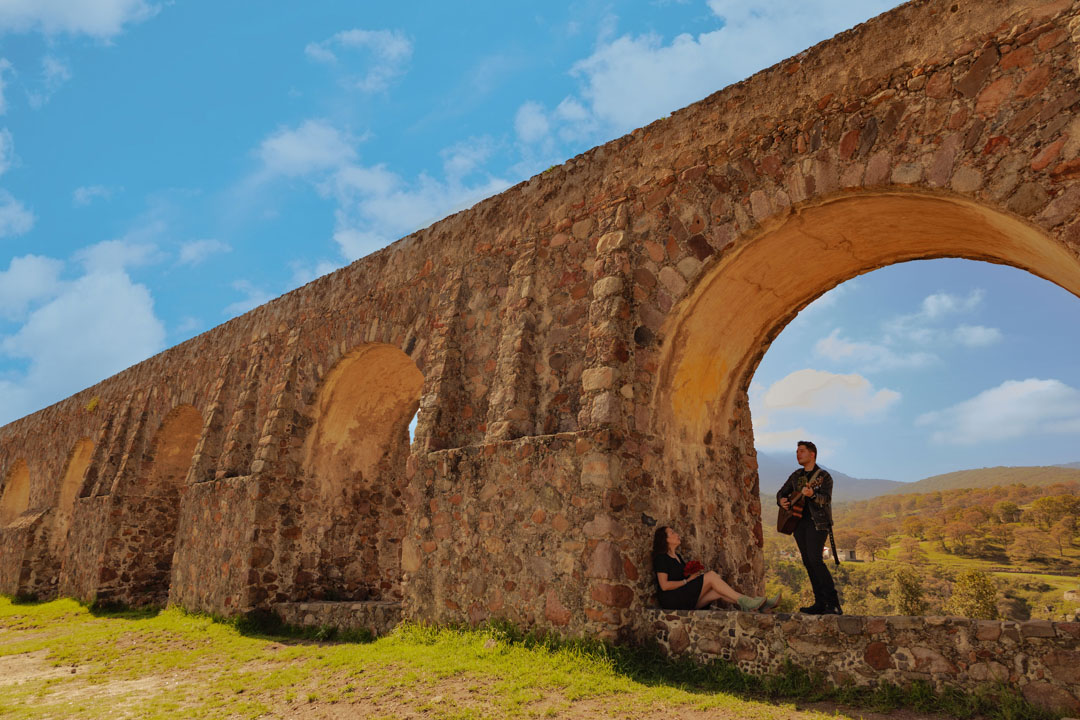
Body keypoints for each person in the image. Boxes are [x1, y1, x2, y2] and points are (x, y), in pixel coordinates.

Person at [776, 440, 842, 615]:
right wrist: (781, 501)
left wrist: (813, 494)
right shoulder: (796, 475)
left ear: (812, 454)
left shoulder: (824, 476)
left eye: (802, 451)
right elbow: (781, 492)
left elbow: (826, 499)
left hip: (817, 523)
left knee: (815, 560)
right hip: (798, 523)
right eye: (797, 451)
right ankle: (820, 603)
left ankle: (833, 603)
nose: (798, 454)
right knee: (808, 562)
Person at [652, 526, 780, 611]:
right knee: (712, 576)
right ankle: (750, 603)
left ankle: (758, 605)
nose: (677, 534)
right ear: (665, 539)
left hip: (684, 599)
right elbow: (664, 586)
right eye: (672, 533)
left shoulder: (678, 557)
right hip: (672, 601)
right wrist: (688, 581)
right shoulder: (661, 558)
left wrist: (693, 576)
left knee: (718, 592)